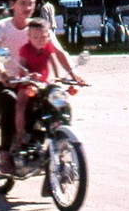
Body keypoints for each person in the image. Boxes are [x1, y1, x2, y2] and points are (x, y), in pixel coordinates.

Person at [0, 0, 74, 171]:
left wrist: (73, 74)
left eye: (31, 3)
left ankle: (56, 141)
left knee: (59, 102)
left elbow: (58, 52)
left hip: (35, 82)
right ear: (12, 4)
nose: (28, 8)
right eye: (23, 3)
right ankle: (5, 151)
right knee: (9, 101)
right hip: (7, 82)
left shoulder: (39, 27)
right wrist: (2, 74)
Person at [13, 18, 84, 150]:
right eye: (35, 37)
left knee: (62, 101)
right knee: (21, 104)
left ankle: (63, 128)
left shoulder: (48, 47)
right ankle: (20, 136)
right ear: (29, 36)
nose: (39, 40)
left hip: (44, 83)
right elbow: (21, 68)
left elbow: (53, 61)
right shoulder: (25, 49)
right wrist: (28, 76)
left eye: (43, 37)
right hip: (29, 83)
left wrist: (58, 78)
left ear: (48, 36)